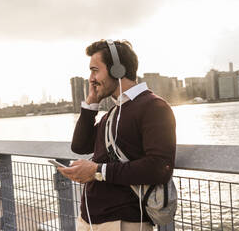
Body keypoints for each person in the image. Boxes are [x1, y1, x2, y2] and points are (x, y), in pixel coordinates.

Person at [58, 39, 176, 231]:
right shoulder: (113, 113)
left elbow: (160, 167)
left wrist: (98, 171)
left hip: (123, 223)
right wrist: (91, 104)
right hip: (88, 220)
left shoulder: (154, 107)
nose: (91, 78)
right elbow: (80, 146)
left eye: (95, 70)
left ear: (117, 70)